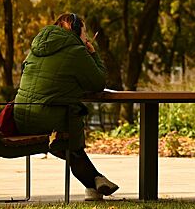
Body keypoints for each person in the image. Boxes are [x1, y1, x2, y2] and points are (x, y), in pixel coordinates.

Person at [13, 13, 119, 201]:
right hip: (48, 119)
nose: (86, 37)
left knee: (67, 137)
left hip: (21, 117)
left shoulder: (35, 49)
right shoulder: (76, 51)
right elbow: (98, 83)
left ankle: (94, 184)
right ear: (75, 30)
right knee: (70, 135)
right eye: (84, 32)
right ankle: (95, 180)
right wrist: (93, 54)